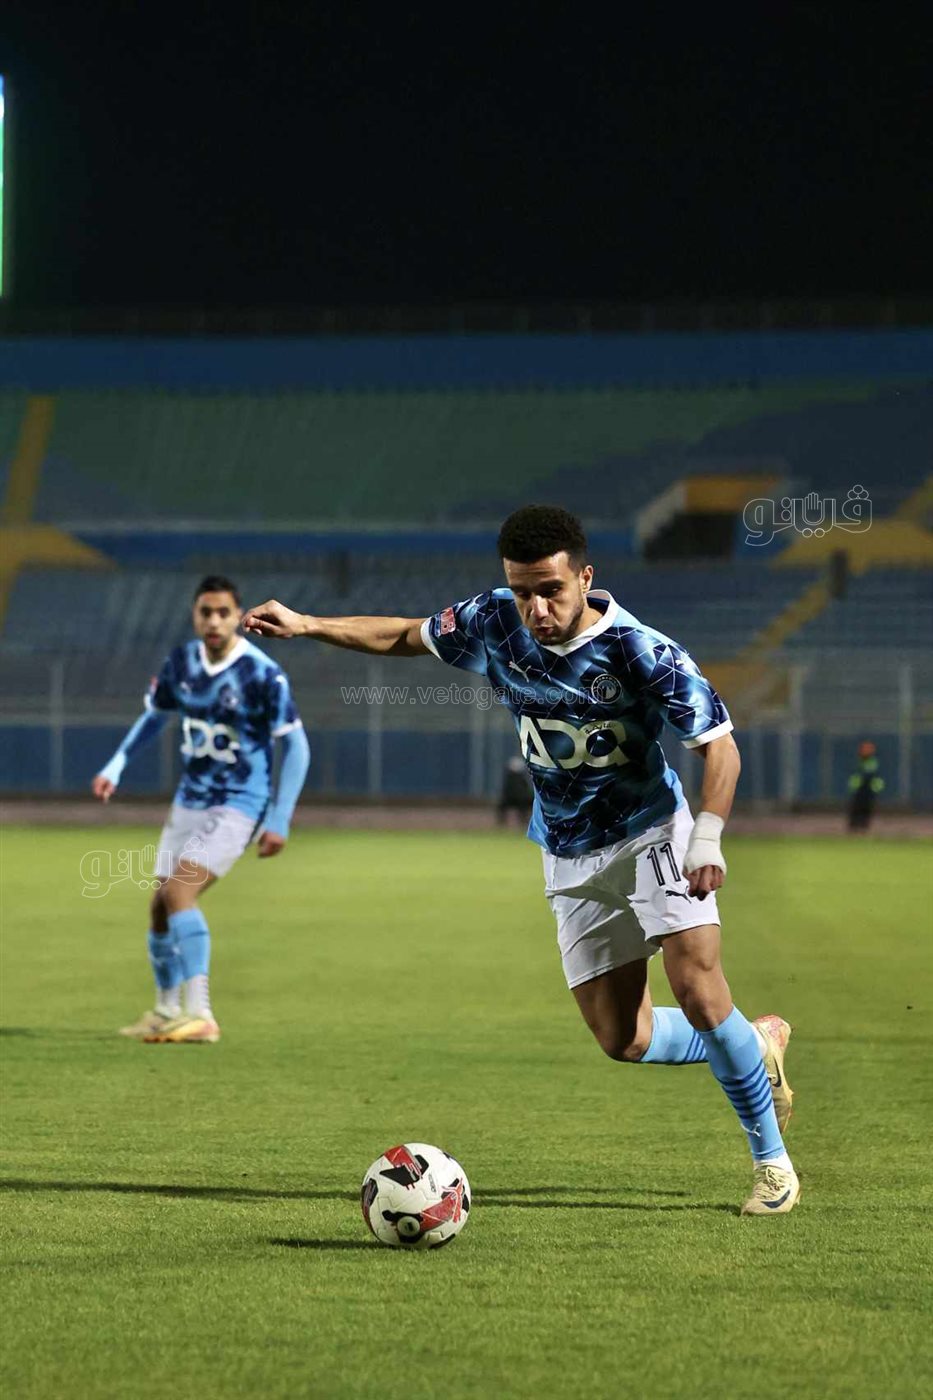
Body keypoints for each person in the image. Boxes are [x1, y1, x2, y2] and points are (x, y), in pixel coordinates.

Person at [243, 507, 798, 1215]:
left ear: (584, 578)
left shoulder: (640, 651)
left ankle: (772, 1166)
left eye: (550, 591)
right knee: (622, 1039)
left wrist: (708, 835)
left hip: (651, 834)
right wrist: (307, 623)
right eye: (522, 590)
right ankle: (750, 1043)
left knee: (696, 986)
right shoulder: (492, 620)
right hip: (567, 851)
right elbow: (405, 635)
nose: (535, 608)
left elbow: (719, 747)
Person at [92, 575, 310, 1044]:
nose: (213, 621)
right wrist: (117, 762)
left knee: (179, 893)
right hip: (189, 800)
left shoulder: (261, 674)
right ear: (194, 615)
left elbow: (296, 747)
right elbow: (156, 716)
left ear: (238, 617)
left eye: (223, 612)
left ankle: (201, 1015)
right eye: (205, 612)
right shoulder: (181, 663)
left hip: (239, 802)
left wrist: (279, 816)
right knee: (159, 907)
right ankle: (165, 1010)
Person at [847, 740, 885, 832]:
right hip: (858, 788)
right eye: (865, 749)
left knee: (866, 807)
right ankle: (854, 825)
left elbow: (871, 774)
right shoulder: (858, 761)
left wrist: (876, 788)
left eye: (869, 749)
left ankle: (863, 825)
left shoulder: (873, 761)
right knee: (856, 806)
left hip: (868, 788)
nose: (866, 751)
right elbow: (855, 775)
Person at [497, 755, 534, 826]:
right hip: (513, 799)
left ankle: (524, 820)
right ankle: (502, 821)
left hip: (520, 800)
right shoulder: (511, 779)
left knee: (525, 803)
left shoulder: (519, 779)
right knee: (503, 804)